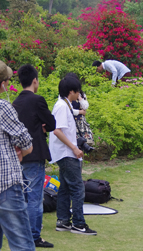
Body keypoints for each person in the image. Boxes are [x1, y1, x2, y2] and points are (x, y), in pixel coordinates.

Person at [0, 59, 35, 251]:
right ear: (2, 83)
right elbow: (25, 142)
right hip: (4, 185)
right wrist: (21, 151)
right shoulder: (2, 107)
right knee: (22, 246)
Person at [12, 64, 56, 248]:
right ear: (35, 80)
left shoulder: (15, 102)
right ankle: (34, 236)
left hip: (18, 155)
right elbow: (52, 123)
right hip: (34, 153)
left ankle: (22, 232)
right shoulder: (37, 100)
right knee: (35, 198)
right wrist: (42, 126)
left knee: (22, 196)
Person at [49, 76, 97, 235]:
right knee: (77, 188)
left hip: (64, 153)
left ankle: (63, 221)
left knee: (65, 188)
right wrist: (74, 148)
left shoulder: (65, 104)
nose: (79, 95)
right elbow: (57, 130)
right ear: (71, 91)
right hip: (66, 153)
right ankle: (78, 224)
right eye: (78, 91)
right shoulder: (62, 106)